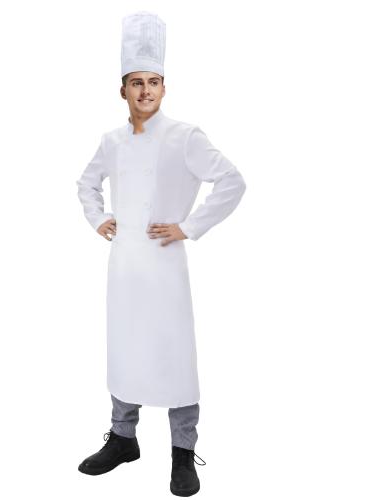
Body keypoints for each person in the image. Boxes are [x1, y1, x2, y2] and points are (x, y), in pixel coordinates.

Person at [75, 11, 246, 497]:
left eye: (153, 82)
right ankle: (123, 439)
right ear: (123, 90)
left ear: (164, 88)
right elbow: (86, 183)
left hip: (166, 268)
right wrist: (98, 217)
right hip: (125, 267)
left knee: (174, 359)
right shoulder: (111, 141)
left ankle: (182, 454)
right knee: (124, 351)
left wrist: (188, 227)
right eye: (136, 82)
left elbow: (232, 181)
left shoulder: (185, 136)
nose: (145, 90)